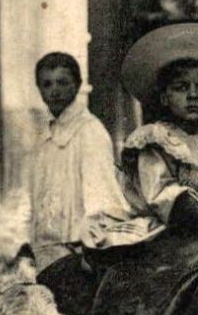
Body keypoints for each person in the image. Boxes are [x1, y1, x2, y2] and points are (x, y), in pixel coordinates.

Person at [82, 22, 198, 252]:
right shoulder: (156, 139)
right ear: (165, 97)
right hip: (169, 224)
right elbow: (162, 194)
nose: (193, 95)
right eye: (182, 87)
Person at [26, 52, 127, 271]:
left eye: (63, 82)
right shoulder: (45, 134)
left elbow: (100, 195)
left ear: (78, 84)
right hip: (47, 245)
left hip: (78, 249)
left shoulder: (89, 132)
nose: (55, 91)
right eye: (47, 84)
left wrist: (90, 247)